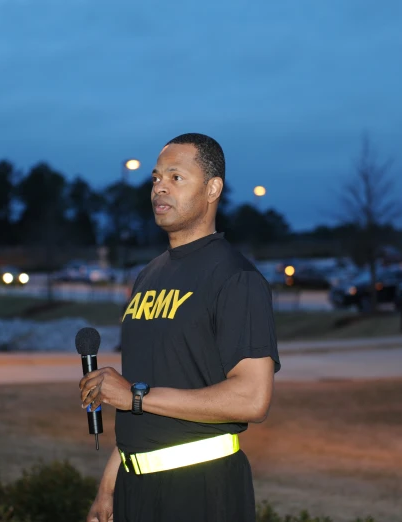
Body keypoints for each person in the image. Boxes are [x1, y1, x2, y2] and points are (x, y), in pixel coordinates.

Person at [80, 133, 280, 522]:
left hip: (202, 489)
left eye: (176, 177)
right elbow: (143, 384)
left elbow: (252, 398)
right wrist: (108, 488)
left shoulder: (236, 277)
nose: (159, 188)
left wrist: (136, 397)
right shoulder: (148, 276)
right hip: (135, 487)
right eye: (155, 178)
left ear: (212, 189)